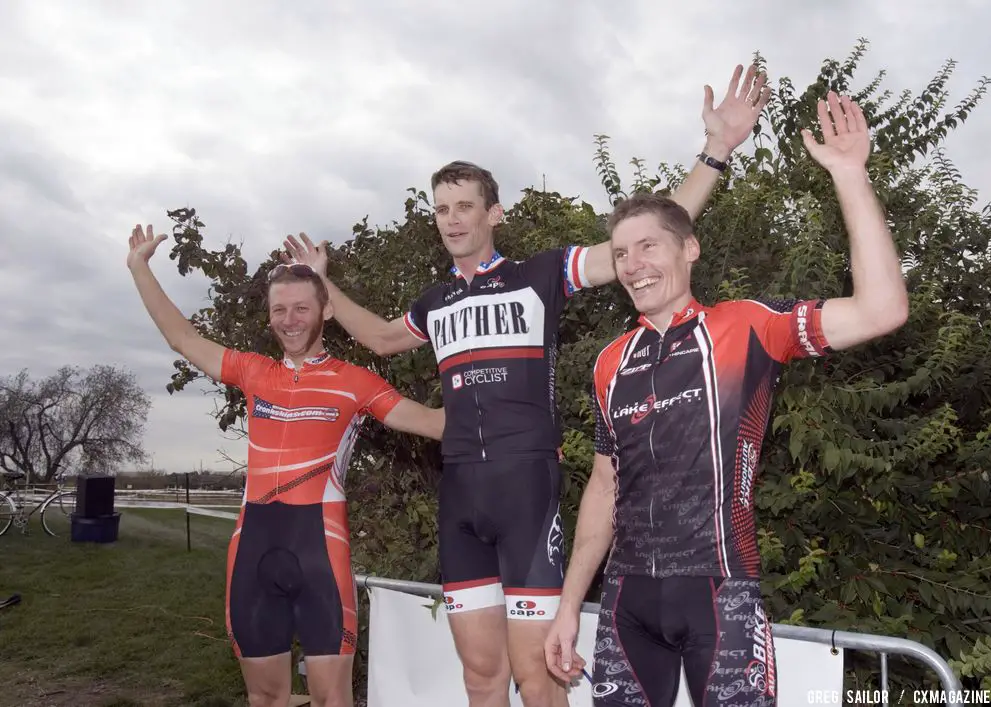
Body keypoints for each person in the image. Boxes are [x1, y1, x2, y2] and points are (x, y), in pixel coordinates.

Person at [282, 64, 772, 707]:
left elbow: (650, 237)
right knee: (480, 677)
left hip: (527, 491)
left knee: (536, 675)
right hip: (460, 494)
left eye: (464, 207)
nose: (452, 220)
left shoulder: (541, 275)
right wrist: (321, 285)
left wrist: (716, 151)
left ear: (494, 213)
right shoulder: (433, 303)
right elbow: (376, 338)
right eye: (441, 210)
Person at [542, 92, 910, 706]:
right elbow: (604, 487)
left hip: (721, 592)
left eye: (649, 246)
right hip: (626, 603)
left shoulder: (744, 327)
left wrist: (850, 174)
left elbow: (883, 309)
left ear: (690, 249)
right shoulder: (611, 362)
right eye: (622, 253)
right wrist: (567, 608)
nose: (633, 265)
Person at [126, 225, 445, 707]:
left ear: (326, 310)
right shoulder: (255, 372)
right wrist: (139, 267)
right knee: (266, 698)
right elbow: (182, 338)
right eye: (280, 310)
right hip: (252, 551)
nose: (290, 320)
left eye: (301, 308)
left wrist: (526, 433)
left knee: (330, 699)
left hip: (321, 552)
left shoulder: (355, 383)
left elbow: (436, 424)